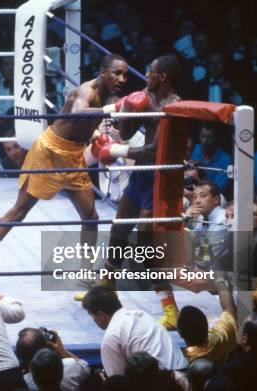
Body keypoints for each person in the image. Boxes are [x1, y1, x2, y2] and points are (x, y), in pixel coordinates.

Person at [0, 54, 130, 272]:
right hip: (49, 152)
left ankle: (86, 273)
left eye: (125, 75)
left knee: (91, 217)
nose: (122, 79)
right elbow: (77, 114)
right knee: (19, 212)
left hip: (73, 155)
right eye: (117, 73)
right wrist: (113, 109)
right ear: (103, 72)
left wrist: (93, 134)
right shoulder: (87, 91)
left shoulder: (105, 95)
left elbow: (80, 123)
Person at [80, 55, 184, 329]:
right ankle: (103, 296)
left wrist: (114, 150)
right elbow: (127, 131)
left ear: (162, 77)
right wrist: (124, 110)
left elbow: (155, 150)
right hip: (141, 174)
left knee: (146, 245)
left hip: (160, 177)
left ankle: (170, 310)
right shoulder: (146, 98)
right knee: (118, 232)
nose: (145, 75)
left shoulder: (172, 106)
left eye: (150, 71)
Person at [81, 286, 187, 376]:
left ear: (100, 315)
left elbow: (117, 383)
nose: (93, 320)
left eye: (91, 315)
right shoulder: (142, 315)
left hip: (163, 382)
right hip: (184, 375)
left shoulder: (111, 337)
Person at [15, 327, 91, 391]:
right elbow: (86, 368)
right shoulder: (71, 365)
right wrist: (62, 351)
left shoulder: (26, 382)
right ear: (61, 374)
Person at [177, 287, 237, 365]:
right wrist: (220, 282)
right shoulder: (223, 333)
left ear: (180, 333)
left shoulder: (187, 359)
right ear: (206, 324)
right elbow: (229, 307)